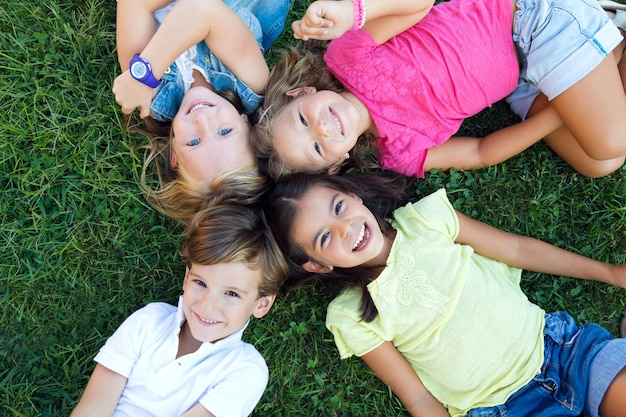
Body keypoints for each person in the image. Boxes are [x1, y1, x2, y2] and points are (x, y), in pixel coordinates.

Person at [262, 172, 626, 417]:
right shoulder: (351, 316)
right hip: (506, 408)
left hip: (564, 350)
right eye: (324, 238)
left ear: (354, 197)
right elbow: (418, 397)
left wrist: (610, 273)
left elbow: (516, 249)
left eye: (339, 207)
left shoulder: (426, 219)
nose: (345, 228)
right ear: (317, 265)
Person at [252, 0, 626, 180]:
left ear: (301, 93)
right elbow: (480, 152)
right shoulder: (397, 154)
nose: (321, 128)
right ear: (335, 163)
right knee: (599, 163)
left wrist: (354, 14)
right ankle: (608, 42)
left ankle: (598, 38)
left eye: (303, 120)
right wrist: (559, 112)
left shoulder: (345, 56)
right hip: (524, 79)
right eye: (317, 147)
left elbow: (418, 5)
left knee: (608, 142)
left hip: (528, 20)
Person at [70, 203, 289, 416]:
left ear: (262, 304)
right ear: (186, 277)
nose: (206, 305)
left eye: (231, 294)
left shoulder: (245, 369)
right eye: (200, 283)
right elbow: (92, 408)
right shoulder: (149, 321)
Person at [113, 0, 290, 224]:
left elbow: (134, 4)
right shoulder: (252, 84)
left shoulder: (152, 98)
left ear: (174, 154)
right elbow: (204, 11)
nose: (203, 121)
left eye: (194, 142)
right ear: (247, 123)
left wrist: (142, 75)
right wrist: (145, 71)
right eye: (225, 132)